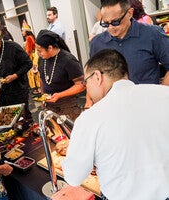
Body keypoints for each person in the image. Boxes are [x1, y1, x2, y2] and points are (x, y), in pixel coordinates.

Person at [61, 49, 169, 200]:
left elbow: (73, 176)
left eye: (86, 82)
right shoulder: (164, 94)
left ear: (97, 76)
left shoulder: (89, 118)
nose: (87, 88)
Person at [90, 0, 169, 85]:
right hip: (113, 97)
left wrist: (161, 93)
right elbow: (93, 77)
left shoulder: (153, 34)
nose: (110, 28)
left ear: (130, 13)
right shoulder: (97, 43)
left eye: (115, 22)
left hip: (145, 96)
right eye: (105, 23)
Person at [0, 31, 33, 122]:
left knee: (23, 117)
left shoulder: (13, 47)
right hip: (0, 94)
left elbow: (28, 63)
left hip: (18, 90)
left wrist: (15, 75)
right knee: (7, 118)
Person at [35, 30, 85, 121]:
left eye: (40, 51)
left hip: (67, 105)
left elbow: (81, 85)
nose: (38, 54)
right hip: (49, 105)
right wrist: (43, 96)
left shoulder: (68, 60)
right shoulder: (42, 59)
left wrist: (60, 95)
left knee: (68, 133)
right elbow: (42, 79)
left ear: (50, 48)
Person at [21, 20, 41, 95]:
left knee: (34, 73)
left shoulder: (29, 38)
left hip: (32, 57)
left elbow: (28, 50)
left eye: (23, 31)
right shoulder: (30, 37)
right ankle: (38, 88)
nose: (22, 32)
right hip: (33, 56)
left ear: (26, 31)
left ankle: (38, 88)